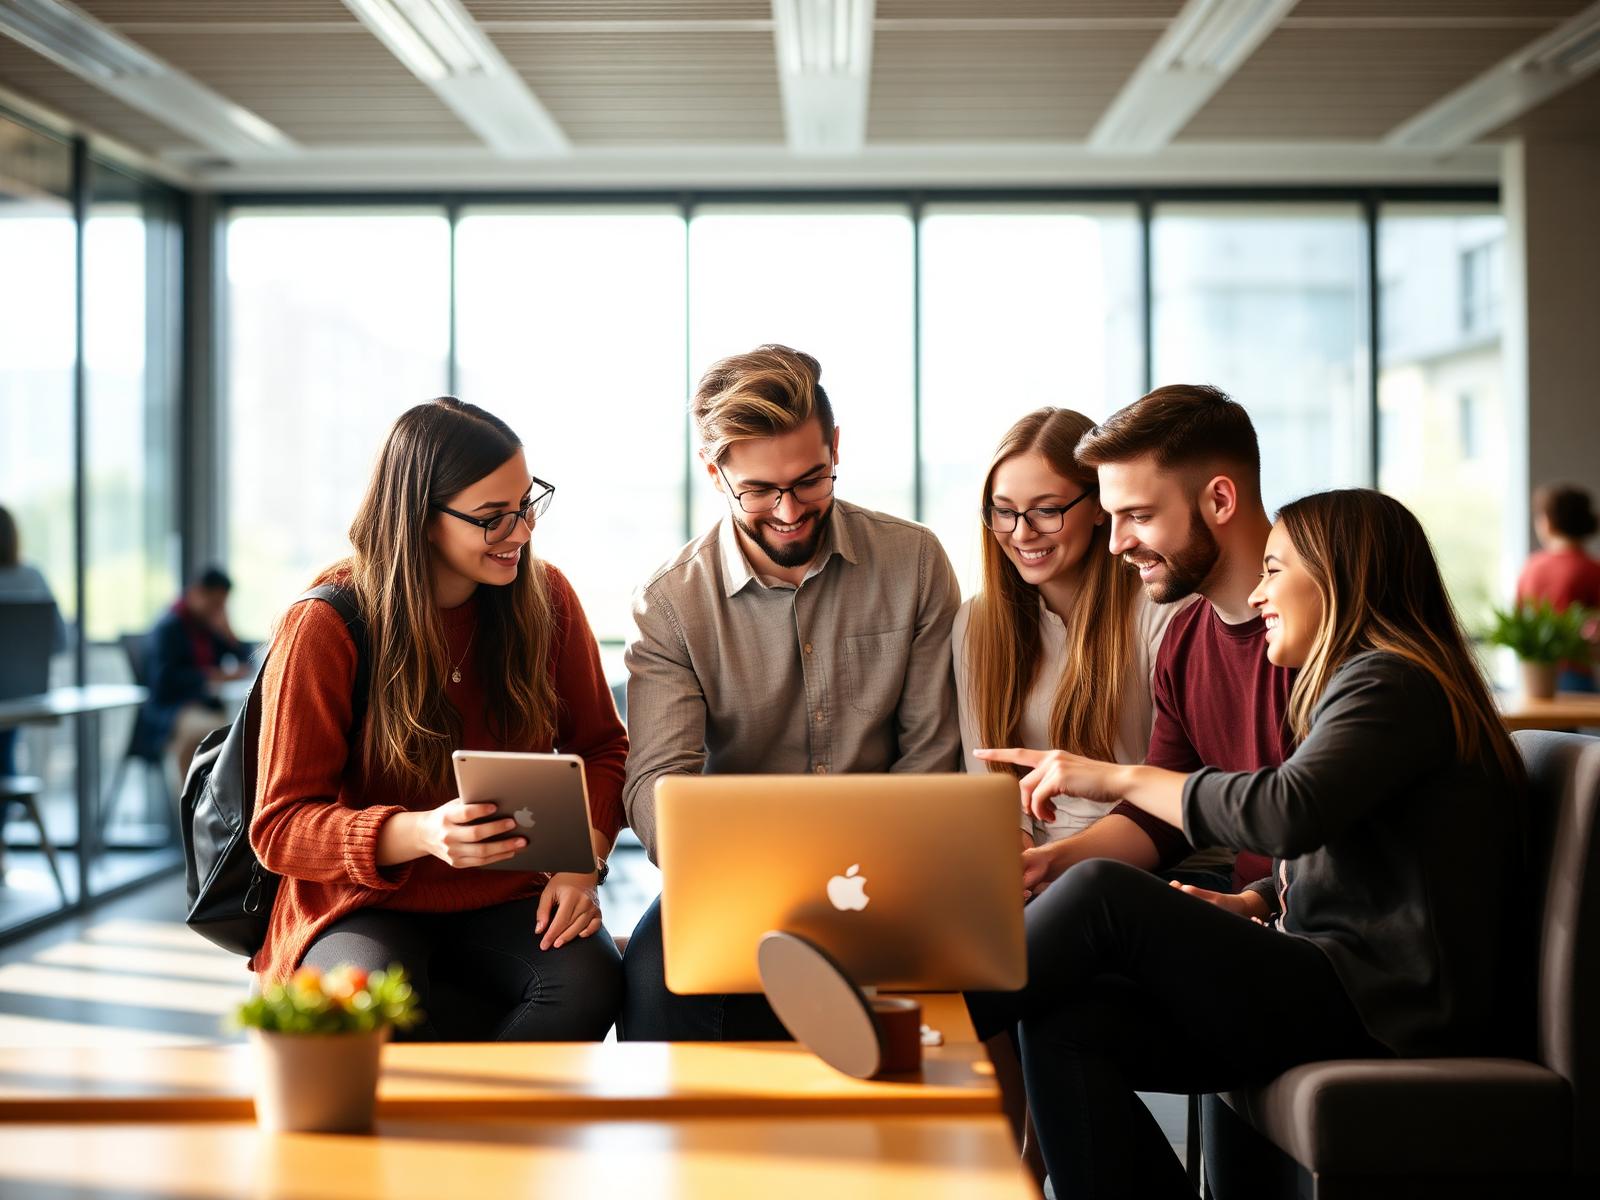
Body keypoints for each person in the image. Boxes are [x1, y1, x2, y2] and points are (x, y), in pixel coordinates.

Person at [972, 488, 1529, 1199]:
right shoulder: (1363, 686)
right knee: (1068, 1021)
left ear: (1338, 577)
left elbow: (1287, 813)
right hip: (1346, 985)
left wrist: (1120, 778)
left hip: (1384, 1009)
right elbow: (1369, 857)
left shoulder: (1392, 682)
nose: (1260, 593)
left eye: (1276, 570)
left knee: (1101, 893)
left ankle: (922, 1011)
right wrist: (1255, 899)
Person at [248, 397, 626, 1042]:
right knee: (366, 1003)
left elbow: (602, 750)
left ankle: (494, 1142)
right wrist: (421, 833)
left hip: (508, 898)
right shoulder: (328, 622)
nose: (522, 531)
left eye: (527, 502)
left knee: (590, 980)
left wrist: (581, 863)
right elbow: (280, 827)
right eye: (491, 518)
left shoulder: (548, 600)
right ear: (421, 520)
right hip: (358, 903)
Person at [620, 343, 963, 1041]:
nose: (788, 511)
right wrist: (736, 871)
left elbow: (932, 753)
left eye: (811, 480)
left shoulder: (914, 561)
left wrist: (877, 875)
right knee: (654, 975)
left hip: (884, 875)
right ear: (714, 474)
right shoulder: (671, 603)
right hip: (735, 883)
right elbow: (656, 783)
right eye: (757, 490)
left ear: (835, 447)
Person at [952, 408, 1190, 872]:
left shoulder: (1162, 610)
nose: (1022, 533)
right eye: (1004, 511)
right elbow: (993, 790)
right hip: (1035, 872)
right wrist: (1020, 865)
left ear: (1100, 505)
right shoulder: (976, 623)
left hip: (1153, 866)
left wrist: (1053, 863)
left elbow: (1173, 793)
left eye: (1046, 509)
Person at [135, 566, 251, 781]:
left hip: (205, 705)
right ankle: (196, 808)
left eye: (222, 605)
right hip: (171, 709)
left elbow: (246, 659)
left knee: (244, 730)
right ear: (197, 593)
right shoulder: (169, 628)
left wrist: (229, 632)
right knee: (213, 733)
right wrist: (210, 676)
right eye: (215, 603)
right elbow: (164, 682)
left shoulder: (206, 626)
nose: (218, 609)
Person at [1517, 483, 1600, 692]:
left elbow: (1518, 619)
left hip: (1533, 675)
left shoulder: (1531, 567)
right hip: (1576, 673)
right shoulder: (1591, 569)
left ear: (1547, 523)